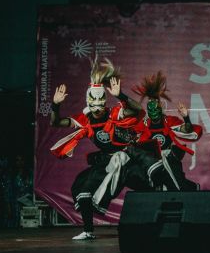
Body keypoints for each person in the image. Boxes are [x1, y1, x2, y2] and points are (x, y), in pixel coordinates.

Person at [50, 57, 148, 240]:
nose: (97, 110)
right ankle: (88, 230)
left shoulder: (114, 114)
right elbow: (56, 122)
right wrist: (55, 104)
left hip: (127, 161)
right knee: (81, 187)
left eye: (99, 106)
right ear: (88, 104)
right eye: (93, 107)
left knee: (151, 188)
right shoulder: (85, 121)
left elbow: (136, 110)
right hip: (106, 163)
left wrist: (120, 96)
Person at [132, 70, 203, 191]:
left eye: (156, 109)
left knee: (176, 183)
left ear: (160, 109)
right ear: (148, 110)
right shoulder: (143, 125)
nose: (154, 112)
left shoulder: (169, 121)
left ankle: (189, 191)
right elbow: (133, 136)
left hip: (169, 157)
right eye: (151, 110)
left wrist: (186, 117)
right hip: (152, 161)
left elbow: (186, 130)